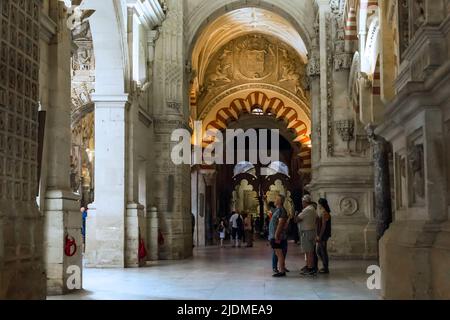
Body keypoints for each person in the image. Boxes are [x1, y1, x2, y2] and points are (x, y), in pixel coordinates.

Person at [295, 195, 318, 276]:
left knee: (309, 251)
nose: (302, 204)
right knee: (309, 250)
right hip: (311, 231)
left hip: (307, 232)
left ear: (305, 202)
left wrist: (296, 214)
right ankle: (308, 266)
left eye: (302, 202)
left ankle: (310, 268)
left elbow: (296, 219)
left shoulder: (307, 210)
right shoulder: (312, 209)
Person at [268, 194, 289, 277]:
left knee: (279, 253)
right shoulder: (278, 210)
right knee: (278, 253)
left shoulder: (281, 210)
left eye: (276, 199)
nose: (275, 200)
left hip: (277, 236)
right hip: (275, 235)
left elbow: (281, 223)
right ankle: (281, 269)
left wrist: (276, 235)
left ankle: (281, 271)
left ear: (280, 201)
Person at [317, 198, 332, 274]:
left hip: (324, 235)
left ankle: (326, 268)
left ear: (321, 204)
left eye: (319, 204)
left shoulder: (324, 213)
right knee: (320, 251)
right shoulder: (324, 212)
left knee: (322, 251)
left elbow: (323, 226)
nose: (318, 205)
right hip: (324, 234)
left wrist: (320, 236)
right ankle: (324, 266)